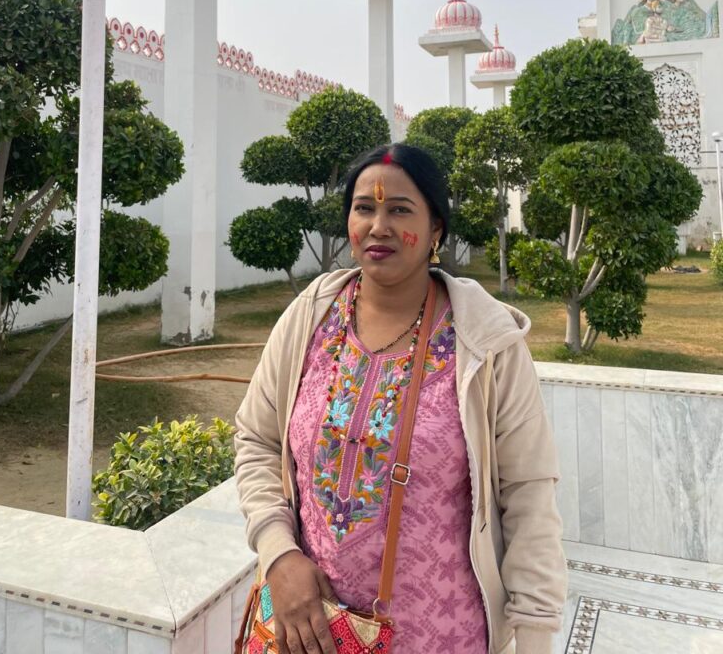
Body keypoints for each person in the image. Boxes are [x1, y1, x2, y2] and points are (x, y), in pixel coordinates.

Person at [234, 143, 567, 654]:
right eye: (364, 208)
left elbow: (527, 494)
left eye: (400, 210)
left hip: (441, 635)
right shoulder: (311, 318)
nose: (378, 226)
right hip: (308, 629)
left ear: (436, 229)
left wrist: (537, 636)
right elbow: (257, 439)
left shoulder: (485, 342)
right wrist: (278, 553)